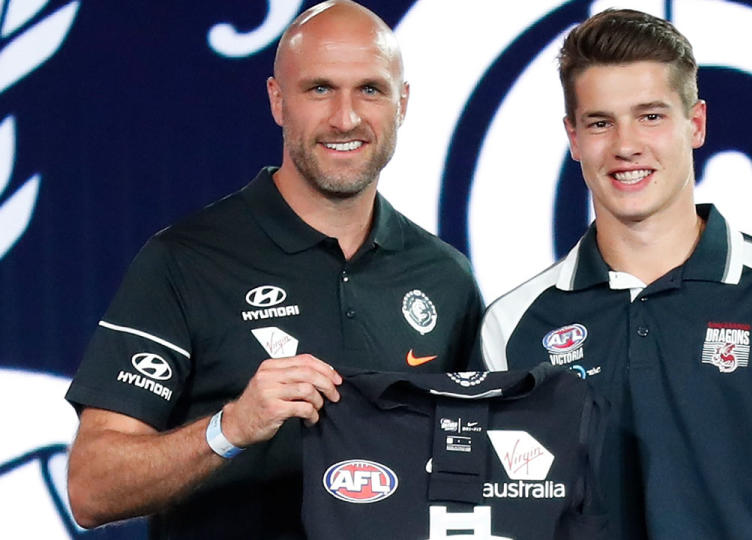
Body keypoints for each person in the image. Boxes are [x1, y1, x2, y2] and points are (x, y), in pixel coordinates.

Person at [478, 9, 752, 540]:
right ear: (572, 137)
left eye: (651, 116)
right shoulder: (511, 327)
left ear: (697, 124)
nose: (626, 145)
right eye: (600, 122)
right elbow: (490, 523)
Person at [65, 1, 483, 538]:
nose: (346, 117)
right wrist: (231, 428)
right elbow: (91, 488)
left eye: (370, 90)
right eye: (319, 89)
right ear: (277, 100)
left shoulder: (445, 277)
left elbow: (475, 479)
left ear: (403, 104)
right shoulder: (186, 261)